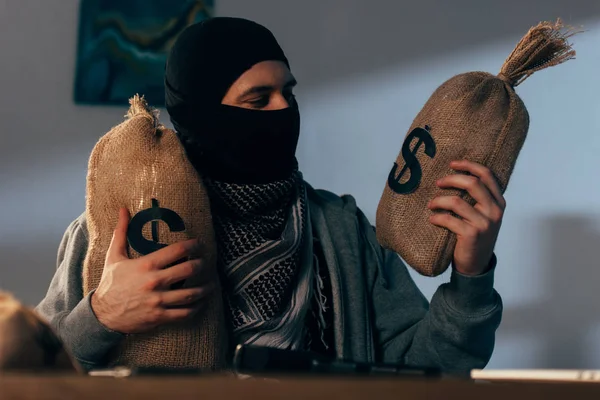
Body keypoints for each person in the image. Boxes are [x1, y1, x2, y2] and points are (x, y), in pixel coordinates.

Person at [36, 17, 504, 373]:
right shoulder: (121, 231)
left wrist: (471, 273)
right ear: (199, 115)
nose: (283, 111)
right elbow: (26, 370)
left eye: (288, 93)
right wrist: (102, 313)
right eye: (258, 101)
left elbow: (428, 368)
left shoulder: (339, 230)